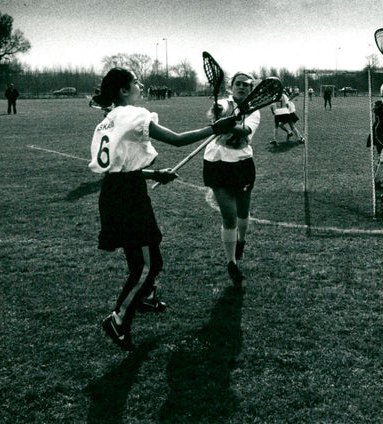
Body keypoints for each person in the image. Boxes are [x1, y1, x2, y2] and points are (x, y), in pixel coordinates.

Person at [89, 68, 234, 350]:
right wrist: (215, 129)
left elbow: (116, 169)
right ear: (122, 90)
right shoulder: (135, 114)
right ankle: (118, 320)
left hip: (115, 192)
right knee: (146, 264)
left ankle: (145, 298)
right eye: (135, 82)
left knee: (150, 252)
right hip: (128, 197)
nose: (140, 85)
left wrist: (154, 174)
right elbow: (178, 139)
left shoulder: (105, 122)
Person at [204, 72, 262, 288]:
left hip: (241, 163)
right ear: (231, 86)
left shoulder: (254, 112)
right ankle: (231, 262)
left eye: (246, 85)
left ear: (251, 89)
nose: (241, 87)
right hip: (216, 162)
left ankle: (242, 240)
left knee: (242, 212)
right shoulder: (223, 104)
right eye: (238, 84)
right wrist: (218, 114)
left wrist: (226, 124)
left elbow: (245, 131)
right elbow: (216, 113)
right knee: (229, 217)